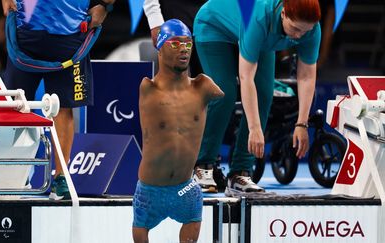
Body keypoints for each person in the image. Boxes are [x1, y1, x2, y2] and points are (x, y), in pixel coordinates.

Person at [193, 0, 321, 194]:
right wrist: (254, 128)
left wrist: (302, 123)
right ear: (284, 14)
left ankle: (240, 173)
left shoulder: (310, 28)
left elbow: (306, 76)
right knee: (224, 93)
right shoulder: (260, 17)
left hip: (260, 39)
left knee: (264, 94)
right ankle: (202, 165)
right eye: (295, 29)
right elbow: (246, 77)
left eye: (304, 31)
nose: (298, 36)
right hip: (214, 27)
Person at [1, 0, 115, 200]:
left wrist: (105, 6)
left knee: (63, 108)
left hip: (70, 30)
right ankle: (13, 175)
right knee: (15, 105)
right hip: (25, 28)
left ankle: (61, 178)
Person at [132, 19, 224, 242]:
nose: (183, 49)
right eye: (175, 44)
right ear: (160, 49)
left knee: (194, 212)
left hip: (185, 188)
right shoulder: (148, 88)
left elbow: (224, 96)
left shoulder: (203, 87)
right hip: (149, 191)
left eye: (187, 44)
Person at [143, 0, 206, 77]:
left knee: (204, 75)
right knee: (174, 75)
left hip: (207, 11)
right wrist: (155, 22)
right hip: (174, 10)